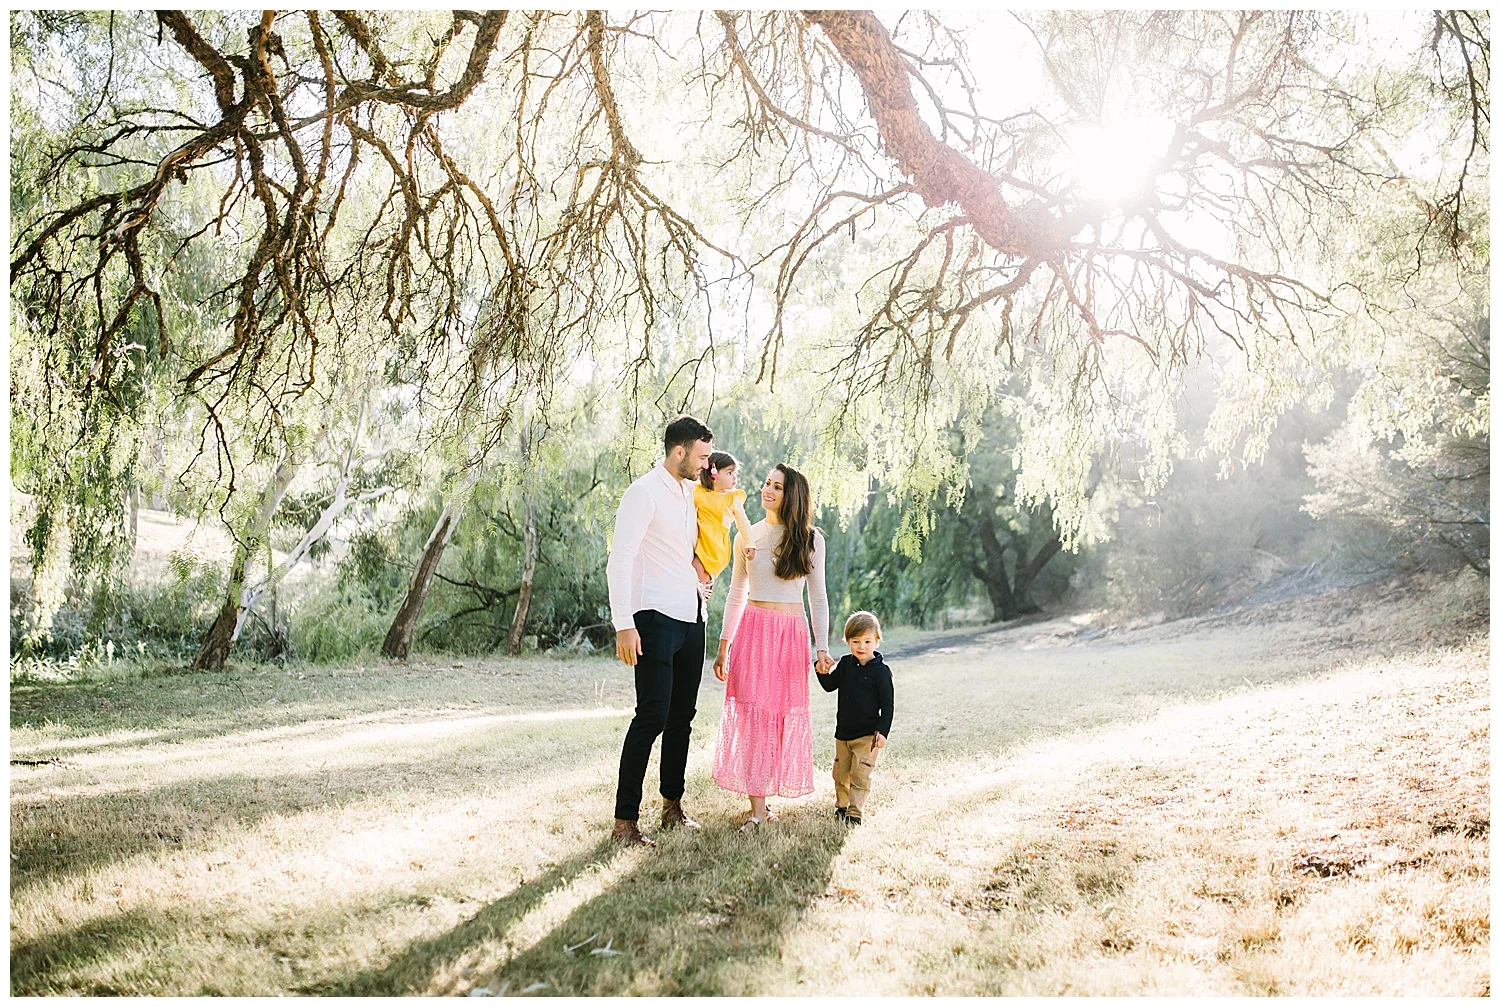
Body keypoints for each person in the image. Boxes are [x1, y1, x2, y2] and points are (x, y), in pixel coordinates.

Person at [606, 415, 715, 847]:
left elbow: (690, 548)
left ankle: (673, 807)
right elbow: (621, 559)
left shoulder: (692, 493)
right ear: (678, 452)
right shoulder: (643, 492)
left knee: (681, 719)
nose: (707, 466)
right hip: (653, 617)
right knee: (651, 716)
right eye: (702, 457)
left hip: (692, 617)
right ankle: (624, 822)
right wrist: (623, 624)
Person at [712, 463, 834, 830]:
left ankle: (768, 789)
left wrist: (822, 648)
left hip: (791, 634)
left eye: (777, 486)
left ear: (791, 494)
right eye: (767, 483)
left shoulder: (811, 539)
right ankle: (757, 809)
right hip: (753, 630)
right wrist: (723, 645)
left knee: (781, 718)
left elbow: (819, 596)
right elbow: (736, 592)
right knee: (752, 716)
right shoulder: (747, 535)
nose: (768, 490)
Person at [816, 610, 894, 826]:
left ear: (877, 641)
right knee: (841, 774)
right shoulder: (845, 665)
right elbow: (830, 686)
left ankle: (855, 811)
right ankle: (842, 807)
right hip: (843, 734)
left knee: (861, 774)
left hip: (868, 735)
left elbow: (887, 706)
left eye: (867, 641)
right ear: (847, 641)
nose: (861, 646)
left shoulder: (882, 672)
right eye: (856, 641)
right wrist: (820, 670)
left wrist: (883, 732)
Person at [691, 451, 757, 588]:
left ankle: (706, 585)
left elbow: (743, 522)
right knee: (690, 565)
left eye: (735, 474)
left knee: (696, 566)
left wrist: (750, 543)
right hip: (700, 537)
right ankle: (702, 586)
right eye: (729, 473)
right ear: (713, 473)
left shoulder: (733, 499)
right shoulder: (699, 491)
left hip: (714, 543)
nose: (735, 477)